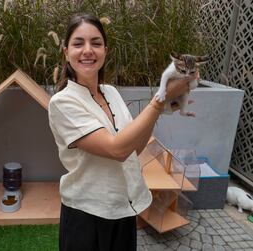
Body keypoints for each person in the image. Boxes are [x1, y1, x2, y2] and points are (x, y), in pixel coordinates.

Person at [48, 13, 196, 251]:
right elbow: (116, 150)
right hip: (87, 213)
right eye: (78, 43)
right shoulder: (62, 103)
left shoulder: (112, 93)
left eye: (96, 43)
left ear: (105, 51)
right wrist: (157, 102)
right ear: (66, 52)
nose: (88, 50)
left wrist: (161, 108)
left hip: (124, 208)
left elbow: (133, 148)